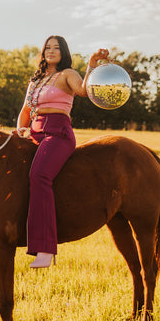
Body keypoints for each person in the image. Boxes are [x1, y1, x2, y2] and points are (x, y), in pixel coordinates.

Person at [16, 36, 109, 268]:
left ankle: (46, 249)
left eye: (56, 48)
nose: (51, 51)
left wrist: (91, 64)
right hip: (34, 132)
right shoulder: (35, 80)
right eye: (48, 47)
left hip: (57, 134)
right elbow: (25, 111)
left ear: (63, 52)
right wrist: (20, 129)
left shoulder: (68, 74)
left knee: (39, 176)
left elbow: (84, 91)